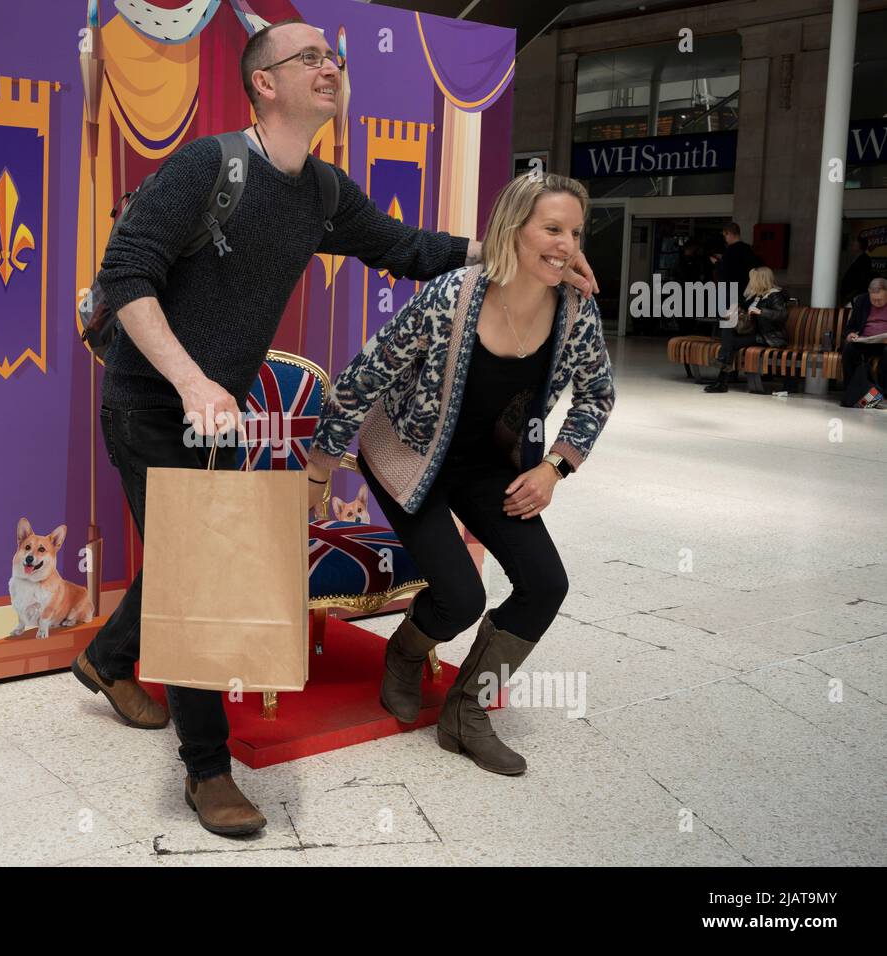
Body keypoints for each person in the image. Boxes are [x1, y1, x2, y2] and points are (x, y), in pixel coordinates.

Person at [72, 17, 603, 837]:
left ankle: (107, 659)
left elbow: (405, 248)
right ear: (264, 82)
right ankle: (207, 771)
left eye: (334, 57)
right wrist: (191, 381)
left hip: (218, 414)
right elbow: (126, 272)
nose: (331, 66)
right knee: (201, 572)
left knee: (195, 550)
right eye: (310, 57)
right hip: (151, 403)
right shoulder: (210, 166)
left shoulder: (322, 192)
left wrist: (522, 252)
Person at [306, 172, 615, 777]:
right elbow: (362, 378)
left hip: (493, 466)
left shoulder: (576, 312)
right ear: (514, 229)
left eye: (576, 233)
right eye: (553, 229)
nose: (567, 246)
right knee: (461, 598)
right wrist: (319, 471)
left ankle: (466, 712)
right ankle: (404, 653)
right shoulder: (451, 296)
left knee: (545, 584)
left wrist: (554, 467)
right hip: (409, 457)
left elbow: (597, 395)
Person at [704, 266, 788, 394]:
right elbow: (743, 306)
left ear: (760, 280)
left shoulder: (775, 295)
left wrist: (761, 311)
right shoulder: (757, 296)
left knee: (729, 344)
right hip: (755, 334)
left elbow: (782, 315)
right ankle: (722, 376)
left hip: (769, 337)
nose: (750, 282)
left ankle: (721, 379)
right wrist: (734, 309)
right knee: (728, 326)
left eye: (753, 279)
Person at [839, 277, 887, 408]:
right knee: (849, 349)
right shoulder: (862, 301)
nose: (876, 303)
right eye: (873, 300)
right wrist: (850, 334)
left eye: (880, 300)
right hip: (865, 341)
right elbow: (850, 326)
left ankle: (882, 395)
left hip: (885, 343)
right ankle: (851, 393)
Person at [710, 222, 763, 298]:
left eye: (725, 235)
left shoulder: (731, 250)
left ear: (730, 234)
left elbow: (726, 271)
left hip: (730, 288)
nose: (725, 239)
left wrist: (716, 262)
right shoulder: (747, 248)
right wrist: (723, 258)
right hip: (744, 287)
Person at [839, 236, 875, 306]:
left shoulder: (865, 260)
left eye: (854, 244)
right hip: (849, 296)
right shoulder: (857, 258)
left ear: (860, 247)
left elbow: (862, 281)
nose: (851, 246)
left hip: (854, 297)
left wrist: (851, 295)